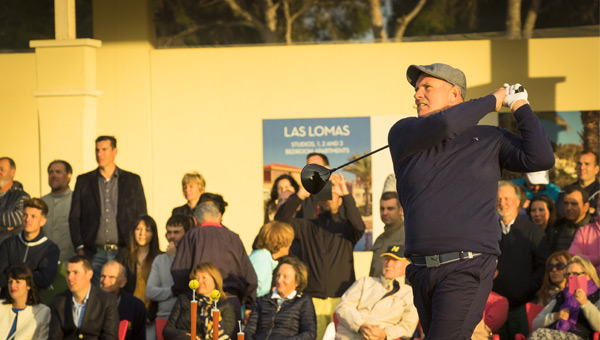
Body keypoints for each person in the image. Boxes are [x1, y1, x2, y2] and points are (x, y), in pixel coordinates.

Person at [388, 63, 554, 339]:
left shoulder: (490, 138)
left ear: (455, 94)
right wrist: (492, 99)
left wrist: (519, 105)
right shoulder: (404, 132)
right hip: (420, 271)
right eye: (417, 89)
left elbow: (540, 158)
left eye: (427, 87)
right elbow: (447, 123)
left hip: (467, 266)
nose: (417, 95)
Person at [275, 173, 365, 339]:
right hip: (313, 301)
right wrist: (300, 194)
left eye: (333, 194)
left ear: (340, 200)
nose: (328, 198)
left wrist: (345, 194)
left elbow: (359, 227)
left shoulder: (346, 228)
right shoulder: (307, 226)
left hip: (342, 300)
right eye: (324, 194)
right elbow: (280, 221)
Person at [69, 135, 148, 285]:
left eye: (104, 150)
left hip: (124, 250)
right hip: (93, 252)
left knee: (124, 295)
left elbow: (141, 216)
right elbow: (74, 217)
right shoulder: (84, 181)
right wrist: (79, 247)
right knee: (95, 296)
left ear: (115, 151)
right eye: (97, 150)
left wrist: (138, 247)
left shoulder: (132, 180)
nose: (99, 154)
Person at [171, 203, 257, 324]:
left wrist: (184, 296)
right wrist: (249, 305)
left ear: (195, 220)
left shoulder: (192, 236)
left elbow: (179, 272)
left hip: (199, 302)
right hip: (231, 301)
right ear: (220, 217)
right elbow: (251, 277)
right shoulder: (234, 238)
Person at [494, 181, 549, 339]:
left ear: (517, 202)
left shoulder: (533, 232)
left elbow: (542, 267)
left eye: (506, 198)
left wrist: (525, 289)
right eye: (498, 199)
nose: (502, 203)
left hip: (522, 306)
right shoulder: (488, 231)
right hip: (493, 306)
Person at [335, 244, 418, 340]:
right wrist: (360, 325)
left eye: (395, 260)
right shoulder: (364, 282)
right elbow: (343, 307)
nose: (389, 264)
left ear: (407, 265)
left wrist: (385, 334)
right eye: (387, 259)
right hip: (348, 336)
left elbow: (407, 327)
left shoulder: (410, 294)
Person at [244, 256, 317, 340]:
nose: (279, 280)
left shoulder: (303, 301)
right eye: (278, 275)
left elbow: (309, 334)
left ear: (297, 282)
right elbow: (249, 330)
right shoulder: (262, 300)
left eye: (285, 277)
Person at [48, 255, 119, 339]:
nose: (70, 277)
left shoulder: (107, 301)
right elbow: (54, 337)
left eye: (75, 272)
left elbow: (110, 337)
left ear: (89, 274)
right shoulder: (59, 301)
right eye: (68, 273)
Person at [530, 256, 600, 340]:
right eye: (568, 274)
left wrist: (585, 304)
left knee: (539, 335)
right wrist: (555, 316)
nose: (571, 277)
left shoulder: (597, 295)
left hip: (580, 336)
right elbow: (535, 324)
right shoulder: (562, 295)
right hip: (554, 334)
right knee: (538, 334)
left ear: (588, 275)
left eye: (575, 274)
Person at [163, 262, 235, 340]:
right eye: (196, 278)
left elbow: (226, 333)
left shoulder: (225, 305)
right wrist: (185, 335)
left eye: (204, 277)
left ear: (215, 280)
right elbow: (167, 330)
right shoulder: (184, 299)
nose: (199, 282)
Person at [0, 198, 59, 291]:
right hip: (6, 300)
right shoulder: (8, 244)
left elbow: (45, 280)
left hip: (35, 302)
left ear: (43, 221)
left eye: (33, 216)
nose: (27, 219)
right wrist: (31, 274)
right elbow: (1, 277)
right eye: (25, 215)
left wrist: (11, 270)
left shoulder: (50, 249)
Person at [146, 214, 193, 321]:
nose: (171, 236)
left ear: (187, 233)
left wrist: (173, 258)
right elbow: (150, 291)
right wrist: (172, 291)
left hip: (185, 316)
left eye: (176, 232)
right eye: (169, 232)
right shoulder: (160, 259)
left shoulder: (191, 258)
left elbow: (183, 286)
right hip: (163, 316)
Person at [117, 215, 162, 324]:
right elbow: (118, 286)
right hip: (127, 315)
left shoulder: (160, 257)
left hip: (152, 316)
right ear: (133, 232)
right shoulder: (124, 255)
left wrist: (150, 315)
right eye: (138, 229)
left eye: (147, 230)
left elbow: (162, 288)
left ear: (153, 233)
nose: (142, 234)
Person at [0, 266, 50, 340]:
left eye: (17, 282)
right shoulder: (1, 306)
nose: (12, 285)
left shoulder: (43, 312)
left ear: (28, 286)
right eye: (10, 282)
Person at [100, 261, 147, 340]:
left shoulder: (136, 307)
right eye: (103, 276)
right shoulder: (90, 302)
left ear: (123, 282)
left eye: (111, 277)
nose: (105, 281)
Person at [249, 221, 294, 297]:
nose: (290, 244)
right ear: (279, 242)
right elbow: (252, 290)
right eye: (288, 241)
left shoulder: (266, 258)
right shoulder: (261, 259)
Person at [42, 160, 75, 263]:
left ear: (69, 177)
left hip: (70, 262)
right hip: (45, 261)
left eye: (58, 172)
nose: (53, 175)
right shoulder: (42, 202)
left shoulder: (77, 200)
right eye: (51, 172)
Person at [369, 192, 404, 277]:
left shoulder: (410, 236)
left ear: (400, 210)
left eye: (390, 208)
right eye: (382, 208)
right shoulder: (379, 240)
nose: (385, 213)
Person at [557, 150, 600, 218]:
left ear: (596, 169)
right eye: (579, 164)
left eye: (587, 164)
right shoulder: (565, 191)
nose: (581, 167)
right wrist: (589, 211)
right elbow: (560, 215)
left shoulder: (598, 194)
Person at [550, 187, 593, 252]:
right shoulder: (557, 227)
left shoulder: (595, 229)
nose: (569, 208)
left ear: (586, 206)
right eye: (566, 203)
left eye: (574, 204)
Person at [0, 157, 30, 244]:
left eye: (2, 169)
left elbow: (18, 218)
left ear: (12, 172)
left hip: (9, 249)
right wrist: (5, 227)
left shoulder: (22, 196)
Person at [569, 199, 600, 274]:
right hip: (587, 282)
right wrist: (597, 260)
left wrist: (585, 259)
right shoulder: (584, 231)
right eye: (599, 198)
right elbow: (573, 256)